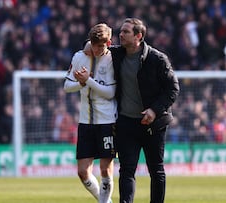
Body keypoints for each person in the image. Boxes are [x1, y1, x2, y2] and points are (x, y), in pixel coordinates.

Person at [85, 18, 180, 203]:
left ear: (138, 36)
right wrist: (89, 45)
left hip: (154, 123)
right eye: (121, 31)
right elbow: (96, 44)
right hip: (127, 123)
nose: (121, 34)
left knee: (156, 170)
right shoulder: (116, 54)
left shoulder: (157, 59)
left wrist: (154, 110)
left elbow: (173, 89)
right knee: (127, 170)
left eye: (126, 32)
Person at [64, 23, 117, 203]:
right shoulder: (79, 56)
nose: (96, 49)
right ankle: (107, 202)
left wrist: (88, 81)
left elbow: (110, 93)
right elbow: (66, 86)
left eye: (100, 46)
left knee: (104, 169)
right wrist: (80, 83)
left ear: (108, 43)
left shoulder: (112, 60)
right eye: (94, 45)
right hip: (85, 121)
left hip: (107, 120)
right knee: (82, 172)